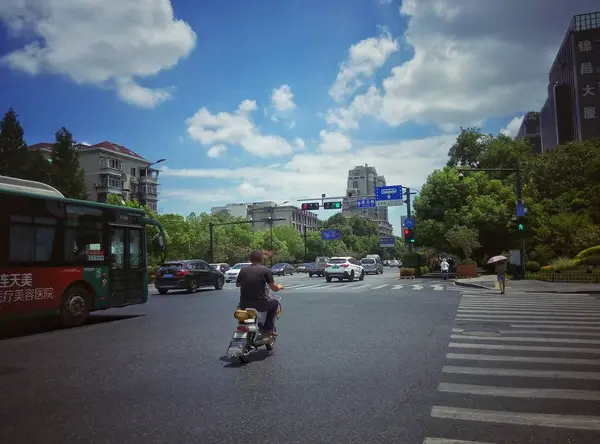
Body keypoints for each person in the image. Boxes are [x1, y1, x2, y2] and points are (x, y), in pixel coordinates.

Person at [236, 250, 284, 336]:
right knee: (275, 303)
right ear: (262, 259)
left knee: (244, 317)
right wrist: (280, 286)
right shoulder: (265, 270)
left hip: (243, 304)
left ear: (250, 259)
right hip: (260, 304)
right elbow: (274, 288)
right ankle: (268, 329)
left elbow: (238, 284)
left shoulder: (243, 270)